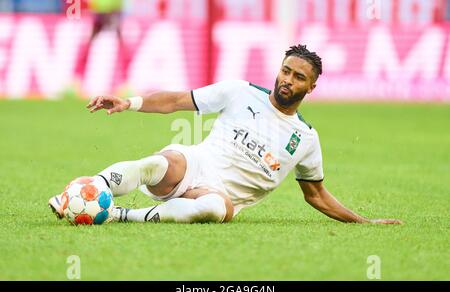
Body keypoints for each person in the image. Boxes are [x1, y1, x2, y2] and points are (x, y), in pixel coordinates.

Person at [49, 45, 402, 225]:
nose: (287, 80)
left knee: (218, 209)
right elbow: (175, 100)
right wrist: (128, 102)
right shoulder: (240, 91)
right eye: (285, 71)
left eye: (298, 77)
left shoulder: (306, 139)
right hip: (194, 165)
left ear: (312, 85)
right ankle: (80, 193)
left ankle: (120, 217)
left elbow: (317, 195)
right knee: (159, 162)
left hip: (218, 193)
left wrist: (364, 221)